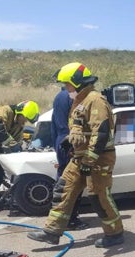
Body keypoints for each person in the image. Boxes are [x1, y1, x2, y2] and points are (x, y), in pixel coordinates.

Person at [27, 62, 124, 248]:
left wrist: (89, 160)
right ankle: (51, 232)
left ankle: (115, 233)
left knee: (98, 196)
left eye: (67, 84)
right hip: (80, 157)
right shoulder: (80, 101)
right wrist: (69, 140)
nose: (65, 88)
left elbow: (101, 133)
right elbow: (81, 127)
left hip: (98, 158)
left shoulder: (95, 100)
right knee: (64, 188)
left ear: (77, 82)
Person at [51, 87, 89, 230]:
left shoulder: (59, 97)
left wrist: (58, 146)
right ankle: (70, 219)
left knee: (63, 181)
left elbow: (53, 127)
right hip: (70, 142)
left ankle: (60, 218)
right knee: (73, 183)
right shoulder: (72, 97)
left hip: (62, 141)